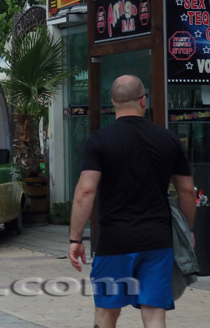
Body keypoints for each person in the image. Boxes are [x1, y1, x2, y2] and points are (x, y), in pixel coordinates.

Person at [69, 75, 196, 328]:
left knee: (107, 311)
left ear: (113, 102)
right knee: (154, 312)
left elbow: (85, 191)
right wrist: (188, 229)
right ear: (143, 100)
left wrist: (75, 239)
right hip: (158, 241)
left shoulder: (99, 141)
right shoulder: (169, 139)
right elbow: (187, 191)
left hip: (115, 240)